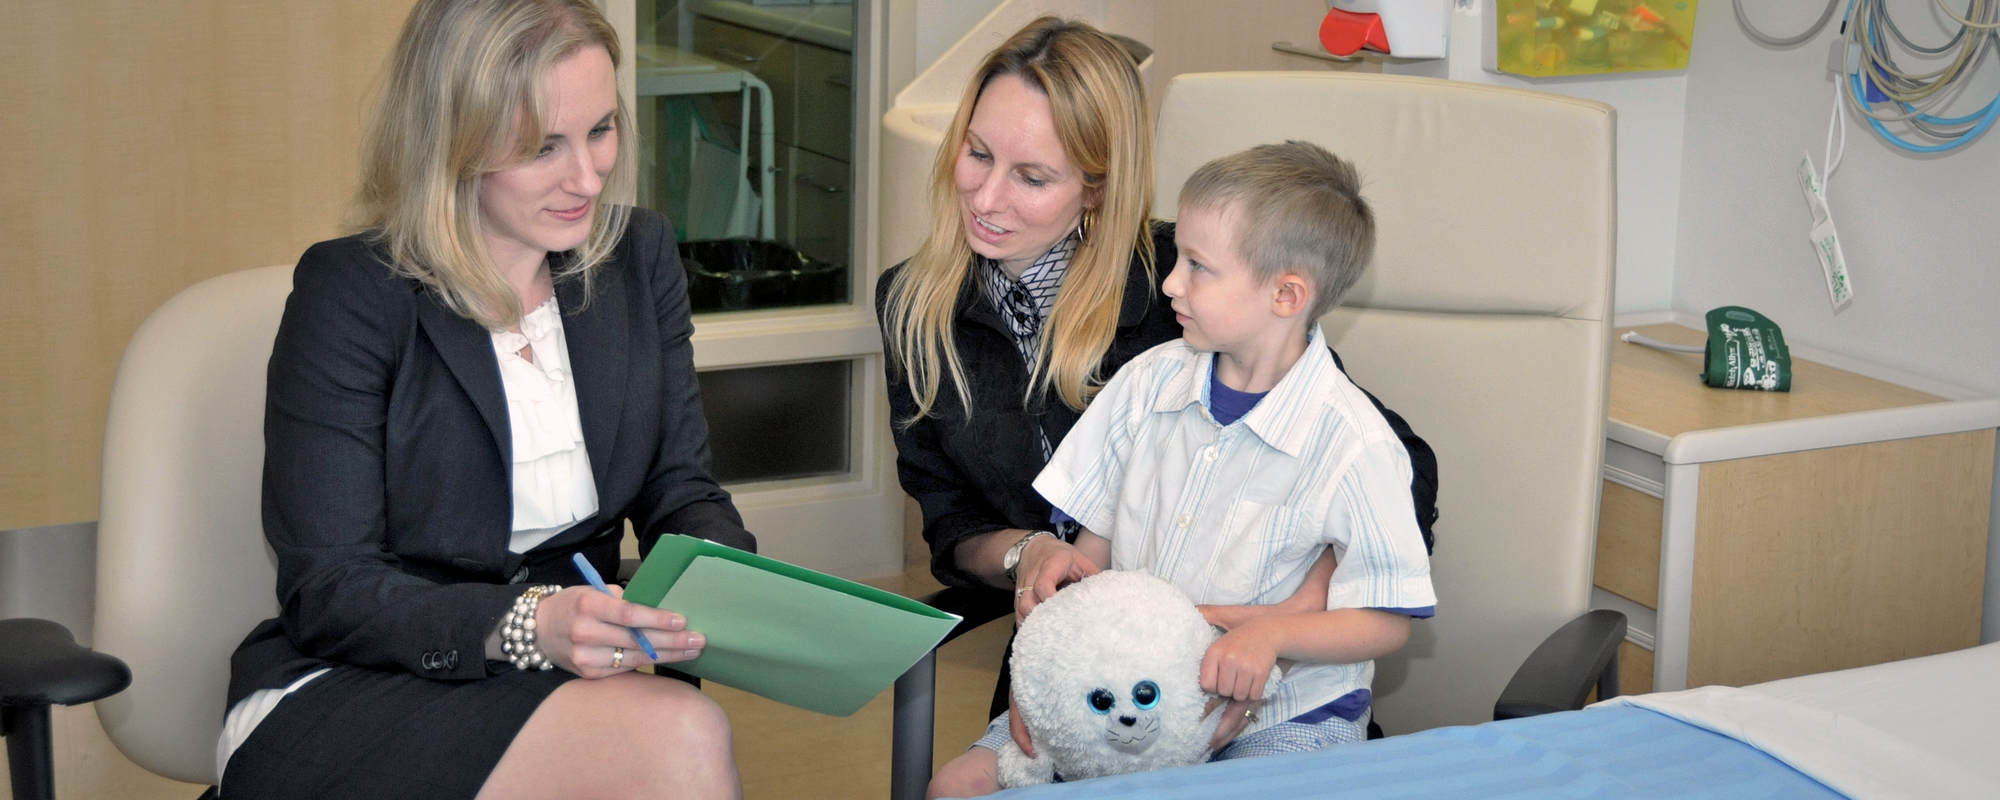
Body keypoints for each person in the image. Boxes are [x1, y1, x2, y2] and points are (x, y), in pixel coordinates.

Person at [873, 16, 1439, 799]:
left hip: (1263, 693)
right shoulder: (914, 305)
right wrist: (1030, 559)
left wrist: (1272, 631)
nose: (987, 196)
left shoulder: (1192, 283)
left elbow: (1399, 470)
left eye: (1033, 177)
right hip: (1094, 662)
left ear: (1097, 187)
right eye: (977, 154)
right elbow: (951, 520)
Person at [218, 1, 749, 797]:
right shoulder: (351, 294)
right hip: (367, 678)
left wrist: (734, 585)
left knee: (673, 731)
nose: (588, 177)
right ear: (452, 142)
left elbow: (679, 488)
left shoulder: (637, 257)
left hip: (579, 672)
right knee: (682, 737)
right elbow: (330, 589)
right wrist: (533, 627)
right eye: (542, 147)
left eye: (601, 130)